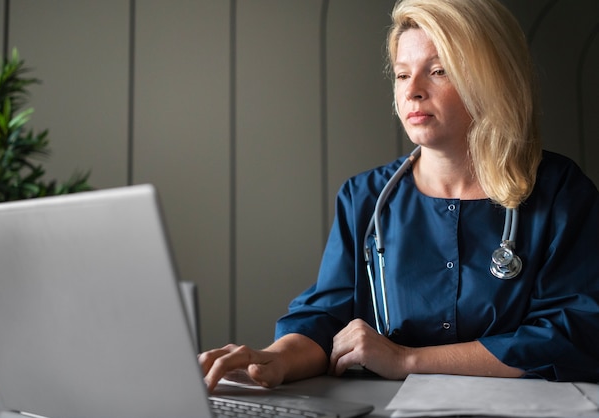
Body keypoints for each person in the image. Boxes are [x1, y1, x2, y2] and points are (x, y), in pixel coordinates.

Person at [199, 0, 599, 391]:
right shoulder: (365, 197)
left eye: (438, 71)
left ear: (492, 79)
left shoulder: (561, 192)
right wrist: (277, 358)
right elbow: (325, 317)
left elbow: (573, 332)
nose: (414, 92)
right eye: (403, 75)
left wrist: (406, 360)